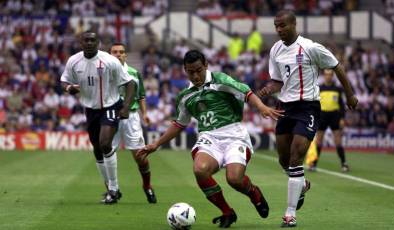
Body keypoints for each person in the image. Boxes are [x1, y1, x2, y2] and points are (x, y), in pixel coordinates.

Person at [138, 50, 284, 228]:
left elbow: (246, 92)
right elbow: (179, 124)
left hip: (234, 135)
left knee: (234, 179)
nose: (195, 75)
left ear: (206, 65)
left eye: (198, 70)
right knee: (200, 170)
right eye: (191, 72)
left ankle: (254, 193)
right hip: (209, 137)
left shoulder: (220, 80)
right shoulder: (185, 96)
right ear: (185, 70)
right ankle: (227, 212)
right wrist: (156, 144)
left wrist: (262, 107)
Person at [257, 11, 358, 227]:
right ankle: (301, 185)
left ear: (294, 24)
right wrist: (265, 91)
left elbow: (336, 66)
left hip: (307, 107)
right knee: (283, 159)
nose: (279, 30)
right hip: (284, 107)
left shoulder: (311, 47)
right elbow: (277, 81)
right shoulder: (275, 49)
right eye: (276, 26)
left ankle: (290, 213)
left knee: (296, 157)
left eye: (282, 25)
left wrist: (349, 94)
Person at [60, 31, 135, 204]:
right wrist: (68, 88)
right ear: (81, 42)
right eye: (86, 40)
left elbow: (130, 83)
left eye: (93, 40)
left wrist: (126, 107)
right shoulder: (74, 61)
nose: (89, 43)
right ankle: (110, 188)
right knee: (97, 149)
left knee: (105, 143)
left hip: (110, 106)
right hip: (90, 109)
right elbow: (64, 80)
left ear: (98, 43)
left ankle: (114, 188)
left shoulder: (109, 61)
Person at [109, 42, 157, 203]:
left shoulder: (134, 73)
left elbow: (141, 96)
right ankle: (112, 191)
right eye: (114, 52)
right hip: (110, 116)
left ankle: (147, 186)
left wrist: (145, 114)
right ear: (109, 55)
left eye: (121, 52)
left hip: (131, 117)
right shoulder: (104, 73)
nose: (118, 54)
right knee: (107, 154)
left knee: (140, 156)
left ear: (125, 55)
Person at [310, 69, 349, 172]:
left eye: (330, 75)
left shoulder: (338, 89)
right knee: (319, 141)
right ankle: (314, 164)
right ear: (324, 76)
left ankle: (344, 163)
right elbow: (315, 104)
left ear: (332, 76)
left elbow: (342, 105)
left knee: (338, 141)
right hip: (322, 116)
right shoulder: (319, 88)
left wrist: (342, 118)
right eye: (326, 74)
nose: (328, 76)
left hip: (334, 116)